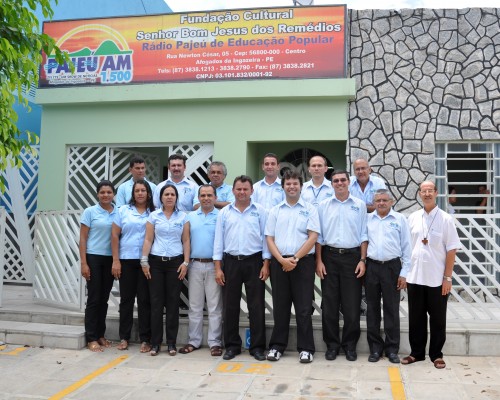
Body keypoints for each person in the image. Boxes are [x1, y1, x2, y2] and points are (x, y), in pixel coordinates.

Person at [401, 181, 461, 369]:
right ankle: (416, 353)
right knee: (416, 318)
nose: (427, 194)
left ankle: (436, 354)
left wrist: (447, 278)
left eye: (430, 191)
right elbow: (406, 248)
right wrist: (404, 274)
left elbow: (452, 250)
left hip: (437, 279)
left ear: (436, 193)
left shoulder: (445, 219)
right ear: (419, 194)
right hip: (415, 277)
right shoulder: (413, 217)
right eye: (423, 191)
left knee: (437, 319)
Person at [213, 175, 270, 361]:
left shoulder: (260, 211)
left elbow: (266, 239)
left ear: (252, 191)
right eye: (239, 189)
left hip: (254, 262)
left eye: (246, 189)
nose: (242, 192)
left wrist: (266, 263)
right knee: (230, 306)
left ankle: (257, 347)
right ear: (233, 190)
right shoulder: (225, 213)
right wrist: (218, 268)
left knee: (256, 306)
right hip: (230, 263)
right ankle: (231, 346)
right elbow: (218, 241)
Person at [265, 170, 319, 363]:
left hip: (302, 263)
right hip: (279, 263)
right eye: (288, 184)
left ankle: (306, 349)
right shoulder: (275, 210)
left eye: (295, 183)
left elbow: (313, 237)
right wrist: (281, 260)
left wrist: (294, 258)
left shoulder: (310, 209)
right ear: (283, 187)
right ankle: (277, 346)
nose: (292, 186)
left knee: (304, 308)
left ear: (301, 186)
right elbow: (269, 238)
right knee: (280, 307)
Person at [316, 170, 368, 362]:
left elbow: (364, 234)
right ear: (332, 184)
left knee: (352, 305)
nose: (339, 183)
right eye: (336, 181)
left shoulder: (359, 205)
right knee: (329, 304)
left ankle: (350, 345)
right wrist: (319, 261)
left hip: (352, 258)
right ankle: (332, 346)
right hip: (329, 257)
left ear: (348, 182)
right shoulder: (323, 206)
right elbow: (319, 236)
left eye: (342, 180)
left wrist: (363, 260)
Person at [141, 184, 190, 356]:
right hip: (155, 263)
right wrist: (144, 261)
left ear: (176, 198)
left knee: (172, 304)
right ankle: (155, 343)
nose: (169, 197)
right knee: (156, 304)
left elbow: (186, 241)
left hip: (175, 264)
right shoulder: (153, 216)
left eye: (172, 194)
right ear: (161, 197)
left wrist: (186, 263)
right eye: (166, 194)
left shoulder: (183, 217)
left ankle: (171, 343)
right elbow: (148, 239)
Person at [365, 189, 411, 364]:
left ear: (391, 202)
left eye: (384, 200)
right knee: (373, 309)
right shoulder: (368, 220)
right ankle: (375, 349)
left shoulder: (399, 220)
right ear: (374, 203)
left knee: (391, 309)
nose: (381, 203)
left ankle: (392, 349)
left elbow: (407, 248)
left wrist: (404, 274)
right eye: (378, 201)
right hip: (372, 266)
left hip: (392, 267)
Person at [178, 184, 223, 357]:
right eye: (202, 195)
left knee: (214, 307)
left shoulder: (220, 216)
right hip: (195, 265)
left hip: (214, 266)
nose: (206, 198)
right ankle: (193, 341)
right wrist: (186, 262)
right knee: (195, 306)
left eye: (209, 195)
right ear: (198, 198)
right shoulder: (190, 217)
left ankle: (215, 343)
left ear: (215, 198)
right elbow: (186, 240)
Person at [111, 179, 154, 352]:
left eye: (143, 190)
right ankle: (124, 337)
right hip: (126, 260)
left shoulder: (154, 213)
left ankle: (145, 339)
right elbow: (114, 236)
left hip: (147, 262)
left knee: (145, 300)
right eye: (137, 190)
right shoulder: (122, 211)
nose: (140, 193)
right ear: (133, 193)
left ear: (148, 193)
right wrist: (116, 260)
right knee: (126, 300)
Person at [79, 180, 117, 352]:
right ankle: (91, 337)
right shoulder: (90, 212)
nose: (106, 195)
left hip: (110, 259)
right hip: (93, 257)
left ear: (113, 194)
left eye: (109, 192)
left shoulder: (118, 212)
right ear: (97, 194)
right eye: (102, 192)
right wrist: (84, 263)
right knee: (94, 298)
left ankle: (101, 335)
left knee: (104, 298)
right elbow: (83, 238)